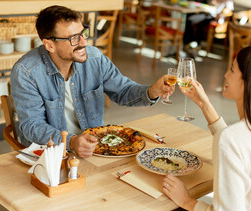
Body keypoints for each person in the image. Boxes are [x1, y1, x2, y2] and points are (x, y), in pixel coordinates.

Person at [140, 45, 251, 211]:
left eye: (232, 70)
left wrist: (186, 200)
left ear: (249, 83)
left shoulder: (232, 138)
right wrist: (203, 103)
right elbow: (237, 146)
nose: (226, 75)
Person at [10, 5, 173, 158]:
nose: (84, 42)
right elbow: (32, 125)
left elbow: (123, 91)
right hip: (50, 155)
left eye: (83, 33)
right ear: (49, 45)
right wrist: (71, 142)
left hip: (95, 149)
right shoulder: (26, 72)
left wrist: (152, 91)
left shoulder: (95, 58)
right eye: (74, 38)